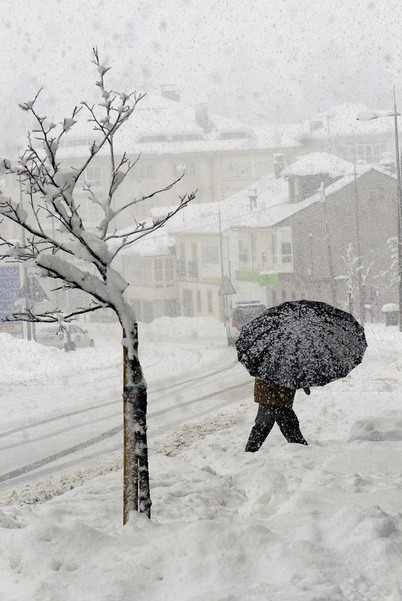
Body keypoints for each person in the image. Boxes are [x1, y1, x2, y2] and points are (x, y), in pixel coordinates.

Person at [245, 378, 308, 452]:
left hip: (277, 391)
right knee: (271, 422)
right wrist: (304, 382)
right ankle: (301, 447)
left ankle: (250, 451)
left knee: (282, 422)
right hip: (272, 391)